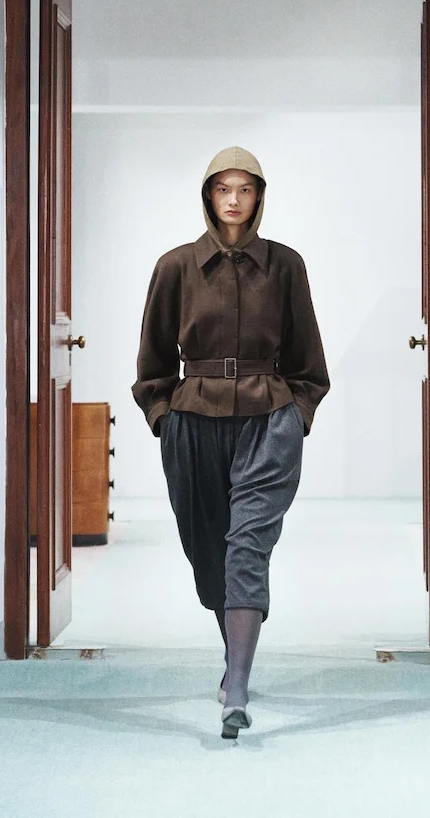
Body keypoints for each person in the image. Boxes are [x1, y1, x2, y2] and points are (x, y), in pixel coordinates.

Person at [132, 146, 329, 738]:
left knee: (247, 546)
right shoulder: (176, 267)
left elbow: (308, 359)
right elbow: (153, 359)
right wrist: (164, 418)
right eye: (224, 189)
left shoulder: (285, 265)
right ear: (208, 196)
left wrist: (297, 416)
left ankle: (237, 688)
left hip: (268, 421)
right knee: (209, 551)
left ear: (260, 196)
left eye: (245, 189)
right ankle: (233, 659)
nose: (234, 200)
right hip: (192, 423)